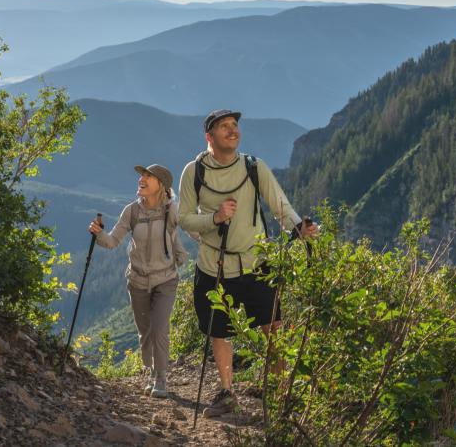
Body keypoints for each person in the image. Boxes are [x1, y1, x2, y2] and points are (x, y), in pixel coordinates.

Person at [178, 109, 318, 417]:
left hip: (257, 263)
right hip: (213, 265)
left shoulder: (254, 167)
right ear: (209, 137)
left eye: (235, 126)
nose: (233, 131)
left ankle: (282, 397)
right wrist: (214, 218)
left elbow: (280, 205)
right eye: (224, 127)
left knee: (273, 327)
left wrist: (300, 228)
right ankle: (227, 392)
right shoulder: (194, 172)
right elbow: (183, 218)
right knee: (218, 330)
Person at [89, 164, 188, 399]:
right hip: (138, 280)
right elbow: (112, 241)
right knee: (145, 331)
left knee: (160, 328)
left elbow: (190, 229)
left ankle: (162, 377)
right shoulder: (131, 212)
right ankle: (152, 371)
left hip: (166, 279)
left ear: (160, 185)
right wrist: (98, 234)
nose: (141, 179)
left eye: (147, 177)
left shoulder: (171, 210)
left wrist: (214, 227)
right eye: (141, 176)